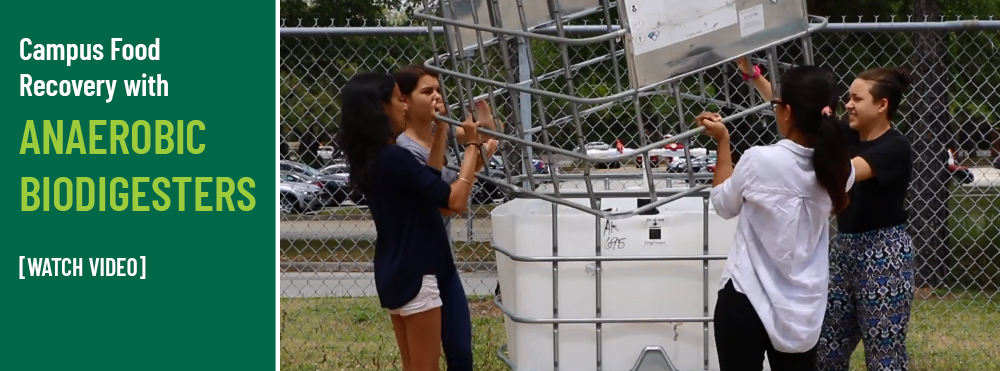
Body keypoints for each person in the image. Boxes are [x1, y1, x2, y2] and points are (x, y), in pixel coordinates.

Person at [736, 57, 917, 371]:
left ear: (882, 105)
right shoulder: (844, 136)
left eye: (857, 98)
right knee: (826, 351)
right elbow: (794, 110)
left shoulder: (895, 148)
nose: (848, 104)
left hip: (883, 254)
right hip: (844, 249)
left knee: (883, 355)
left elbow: (844, 173)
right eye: (847, 97)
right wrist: (755, 76)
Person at [335, 71, 497, 371]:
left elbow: (429, 184)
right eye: (399, 100)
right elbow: (454, 201)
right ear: (382, 108)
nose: (405, 107)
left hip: (395, 269)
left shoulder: (377, 158)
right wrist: (473, 148)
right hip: (418, 272)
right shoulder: (396, 157)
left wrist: (439, 133)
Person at [698, 64, 855, 370]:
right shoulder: (841, 169)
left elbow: (723, 204)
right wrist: (756, 76)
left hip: (746, 297)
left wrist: (722, 142)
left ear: (786, 112)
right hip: (802, 312)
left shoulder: (759, 159)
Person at [392, 64, 502, 371]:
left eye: (438, 90)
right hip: (419, 268)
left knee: (461, 354)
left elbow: (455, 187)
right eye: (426, 92)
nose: (437, 97)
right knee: (422, 364)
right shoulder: (405, 151)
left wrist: (480, 151)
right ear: (404, 100)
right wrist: (471, 148)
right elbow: (446, 202)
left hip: (443, 264)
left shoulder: (435, 141)